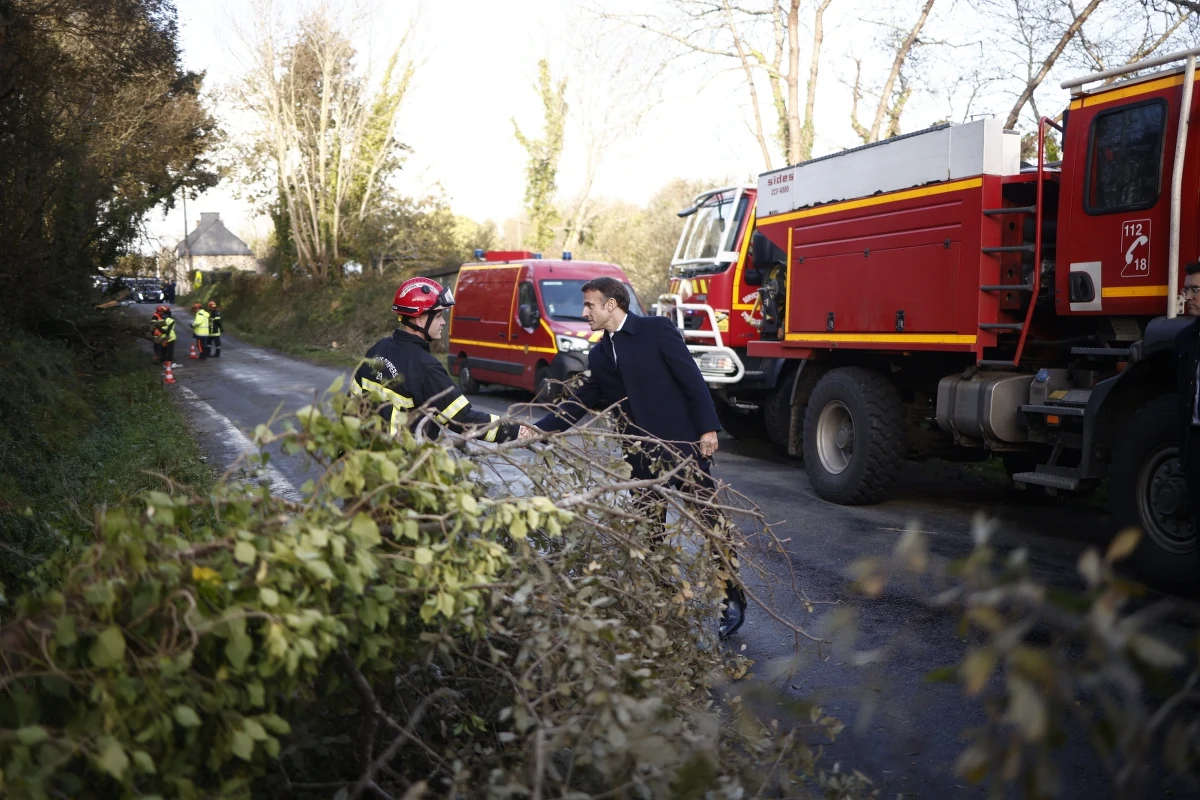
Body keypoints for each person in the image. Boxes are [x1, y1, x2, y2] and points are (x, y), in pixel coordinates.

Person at [521, 276, 746, 640]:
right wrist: (541, 428)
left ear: (612, 304)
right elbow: (584, 398)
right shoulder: (599, 352)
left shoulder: (657, 330)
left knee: (710, 524)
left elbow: (691, 380)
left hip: (682, 448)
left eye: (590, 305)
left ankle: (731, 597)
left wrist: (708, 429)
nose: (584, 313)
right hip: (640, 458)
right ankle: (660, 595)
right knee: (650, 531)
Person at [353, 277, 523, 443]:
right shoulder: (426, 366)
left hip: (364, 459)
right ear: (419, 319)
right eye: (438, 316)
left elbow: (351, 405)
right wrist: (517, 431)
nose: (443, 322)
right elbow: (464, 419)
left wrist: (343, 452)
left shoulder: (378, 348)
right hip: (404, 464)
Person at [1175, 262, 1200, 536]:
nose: (1188, 296)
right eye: (1186, 289)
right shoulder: (1184, 340)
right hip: (1194, 441)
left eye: (1195, 289)